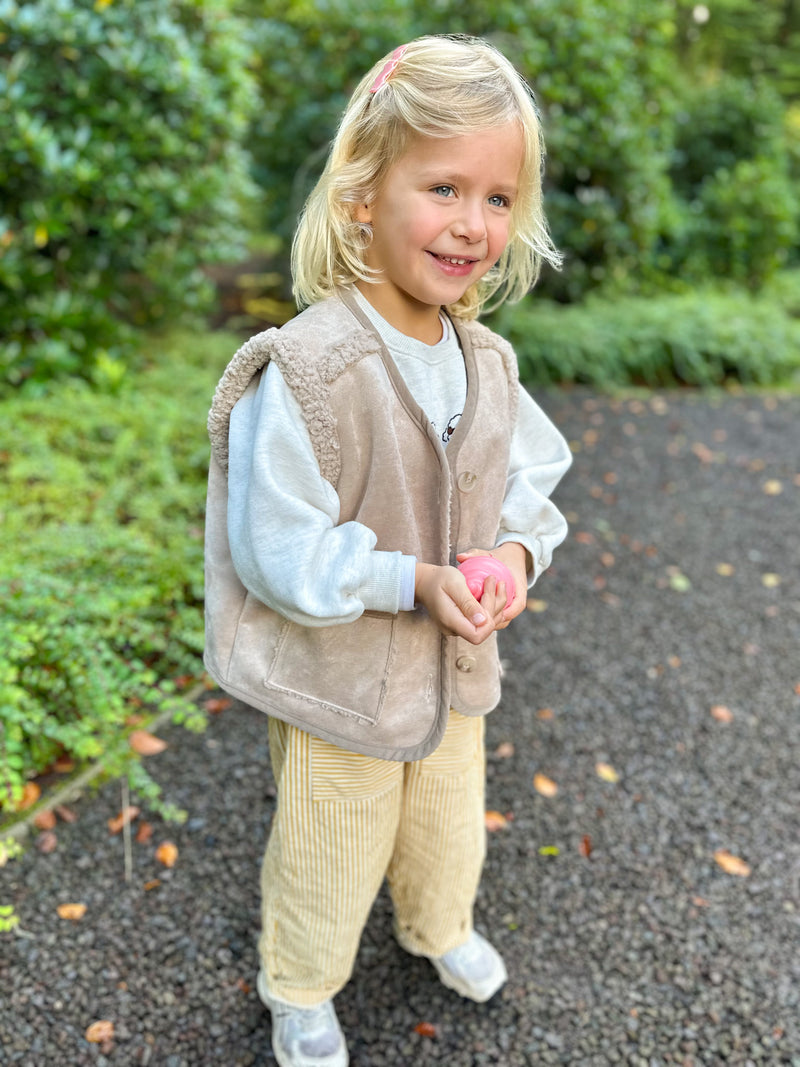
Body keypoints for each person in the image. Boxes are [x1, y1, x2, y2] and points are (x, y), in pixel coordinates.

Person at [204, 34, 572, 1067]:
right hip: (339, 688)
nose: (471, 222)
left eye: (497, 198)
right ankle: (300, 983)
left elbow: (531, 476)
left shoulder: (486, 360)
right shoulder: (311, 369)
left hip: (452, 673)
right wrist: (404, 579)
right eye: (443, 186)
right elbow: (275, 544)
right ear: (363, 193)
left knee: (447, 823)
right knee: (328, 843)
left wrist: (510, 552)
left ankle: (435, 924)